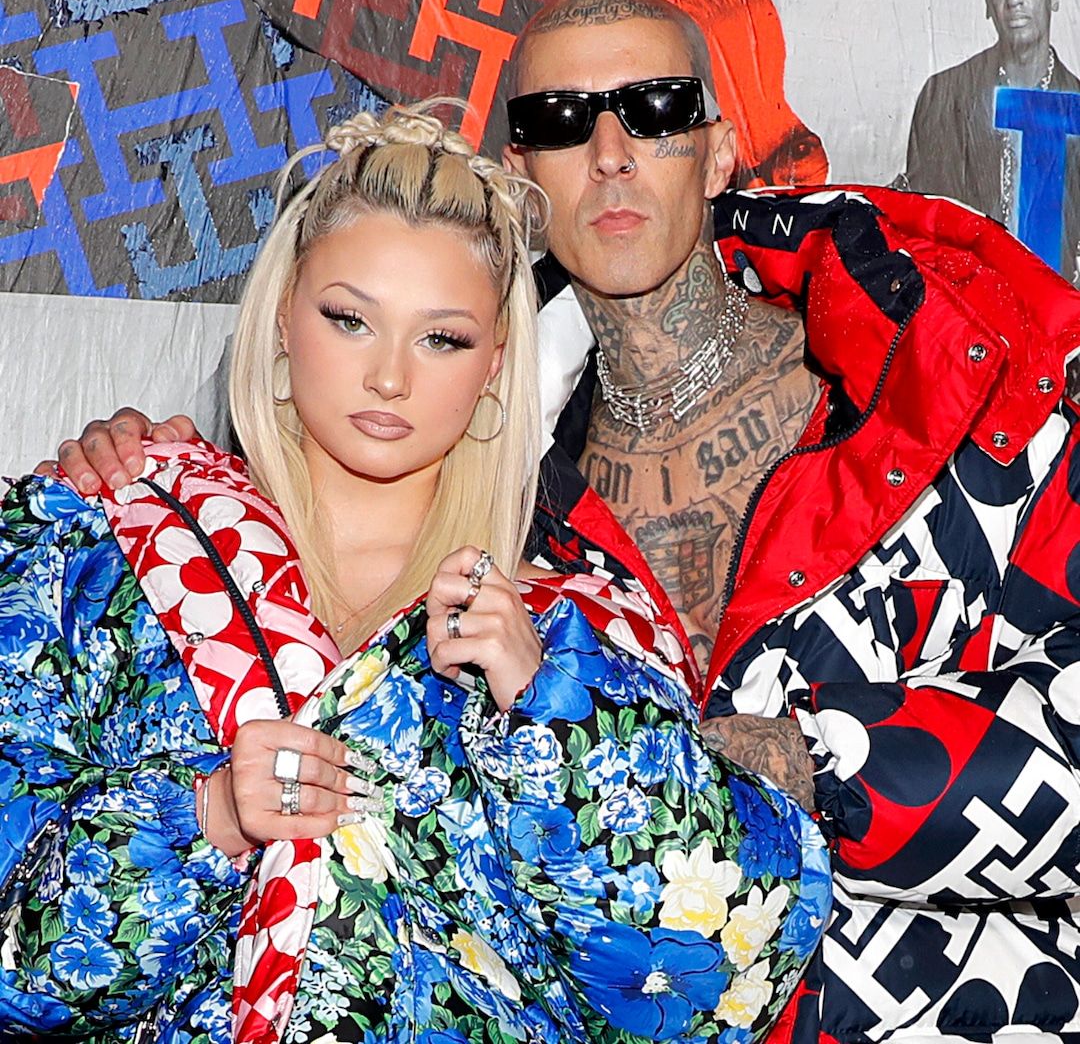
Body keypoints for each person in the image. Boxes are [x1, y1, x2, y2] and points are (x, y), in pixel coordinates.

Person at [50, 0, 1080, 1042]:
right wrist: (139, 474)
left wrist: (800, 761)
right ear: (523, 177)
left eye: (655, 109)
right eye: (561, 121)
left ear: (720, 152)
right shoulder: (498, 495)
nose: (611, 152)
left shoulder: (959, 389)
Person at [0, 102, 830, 1042]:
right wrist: (205, 816)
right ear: (283, 319)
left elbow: (714, 979)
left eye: (442, 338)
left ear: (495, 365)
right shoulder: (98, 549)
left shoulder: (581, 629)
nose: (390, 377)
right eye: (350, 319)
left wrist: (556, 713)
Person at [903, 0, 1080, 284]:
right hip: (966, 301)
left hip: (1057, 305)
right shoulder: (944, 97)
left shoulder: (1076, 104)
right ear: (988, 4)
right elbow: (926, 236)